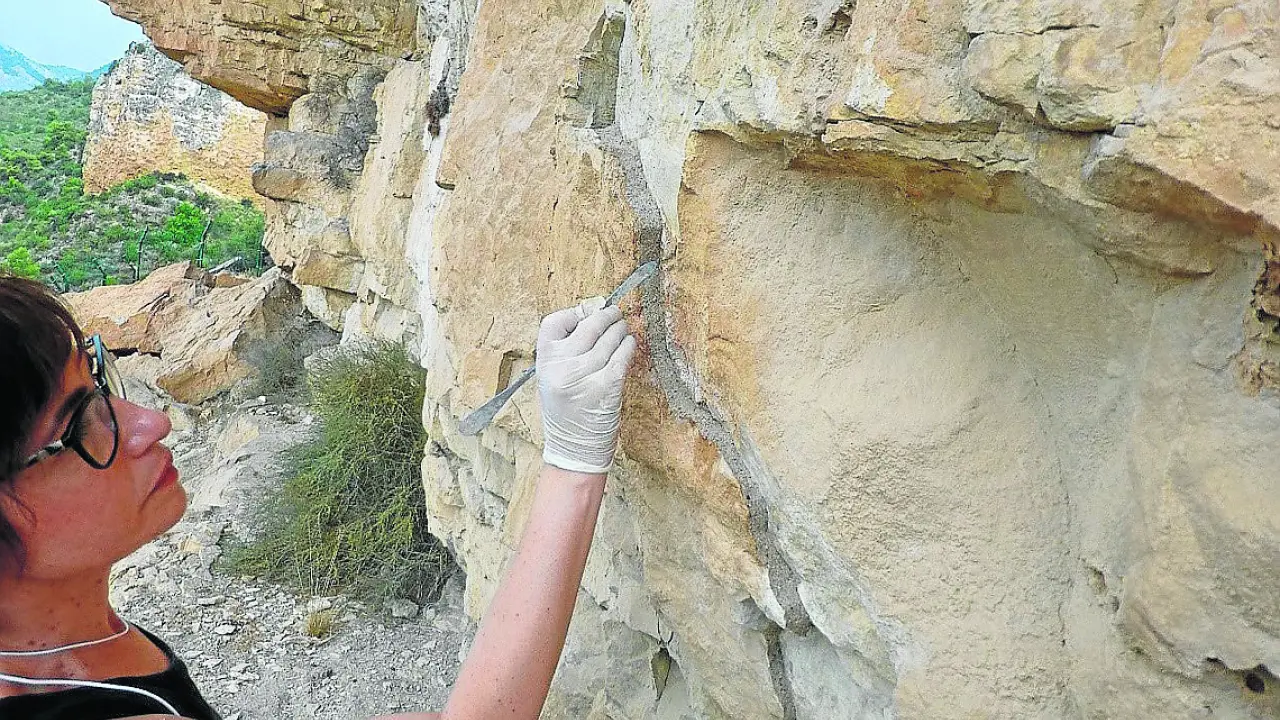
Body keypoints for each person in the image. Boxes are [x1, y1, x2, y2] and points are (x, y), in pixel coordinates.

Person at [0, 275, 637, 720]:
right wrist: (574, 461)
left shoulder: (58, 645)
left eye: (98, 376)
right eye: (78, 424)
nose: (151, 422)